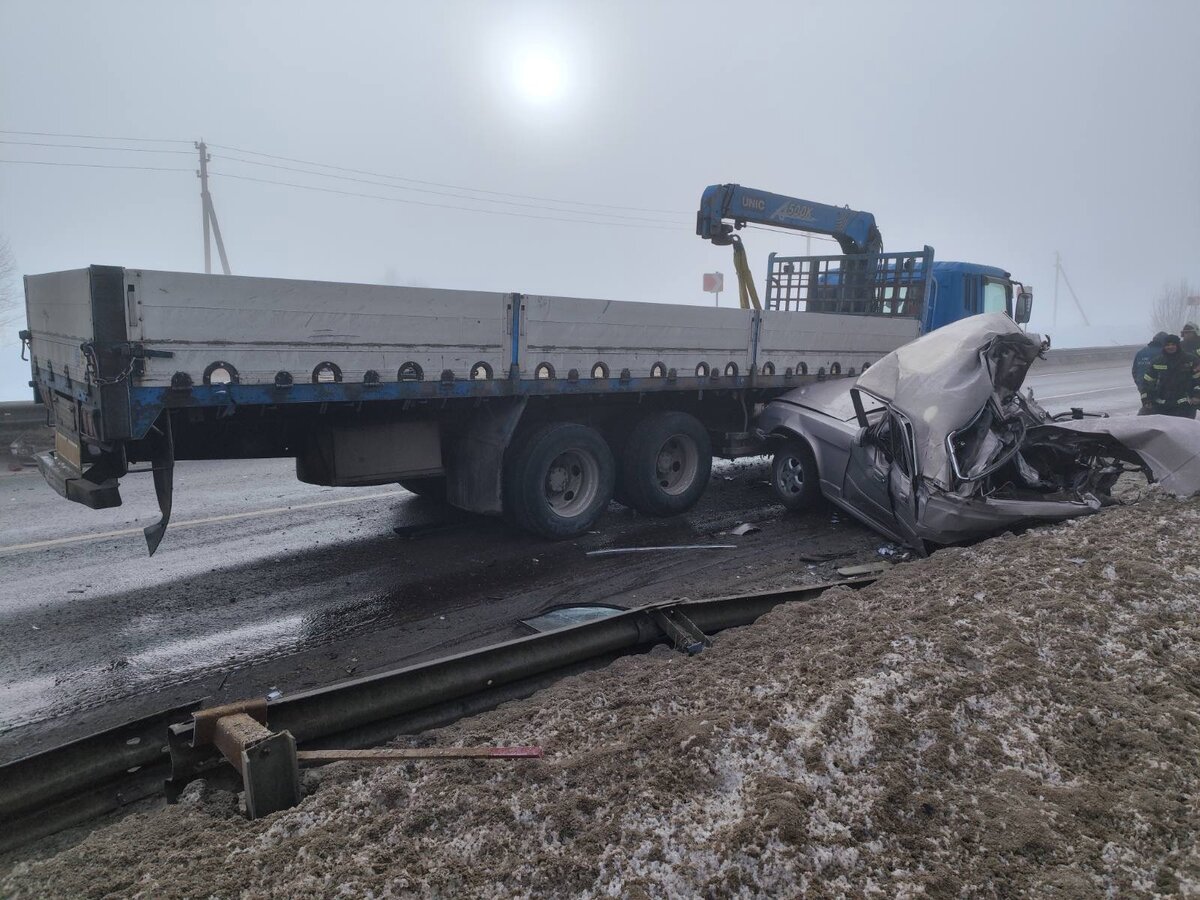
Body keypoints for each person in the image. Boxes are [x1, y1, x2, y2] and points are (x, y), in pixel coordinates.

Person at [1140, 334, 1200, 418]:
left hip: (1185, 405)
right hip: (1161, 405)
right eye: (1167, 345)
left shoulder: (1191, 360)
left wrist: (1197, 396)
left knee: (1182, 429)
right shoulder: (1157, 362)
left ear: (1178, 345)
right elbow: (1147, 383)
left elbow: (1198, 380)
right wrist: (1146, 400)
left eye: (1173, 344)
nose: (1170, 347)